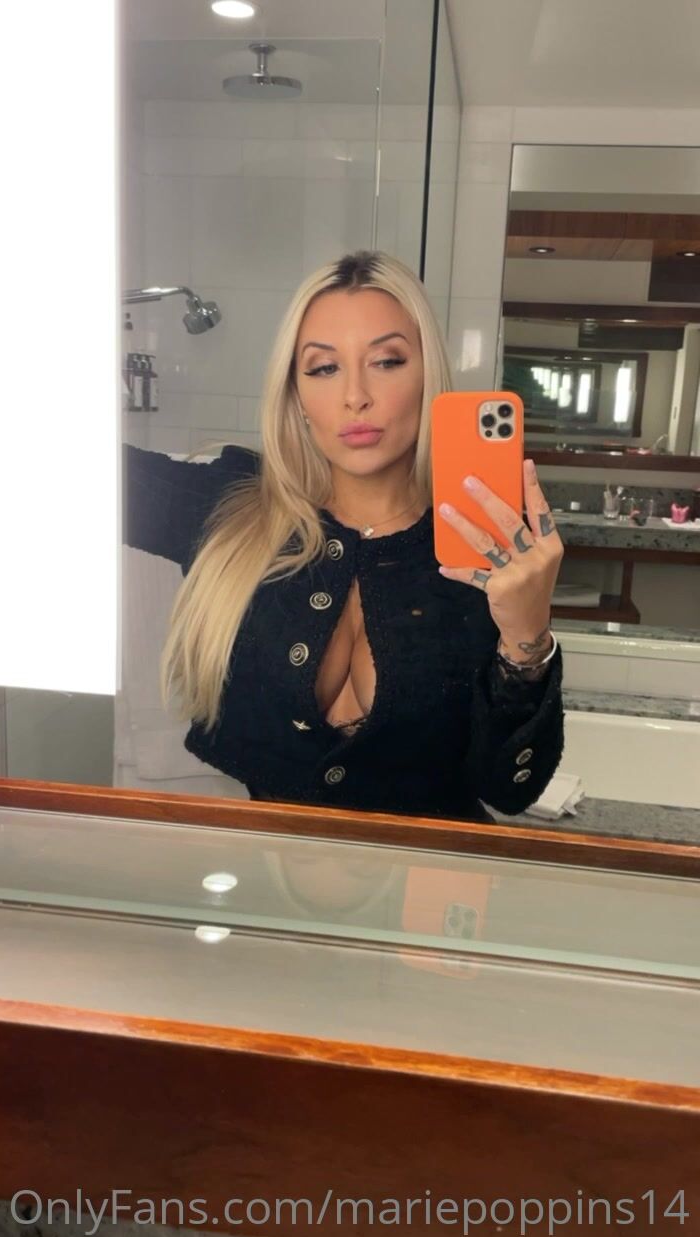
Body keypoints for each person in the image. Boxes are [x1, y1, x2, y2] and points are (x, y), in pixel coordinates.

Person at [123, 249, 565, 823]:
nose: (355, 396)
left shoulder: (488, 544)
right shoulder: (235, 509)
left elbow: (509, 791)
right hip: (267, 867)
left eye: (386, 361)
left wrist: (528, 639)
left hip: (435, 873)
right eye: (324, 368)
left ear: (428, 377)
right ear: (296, 394)